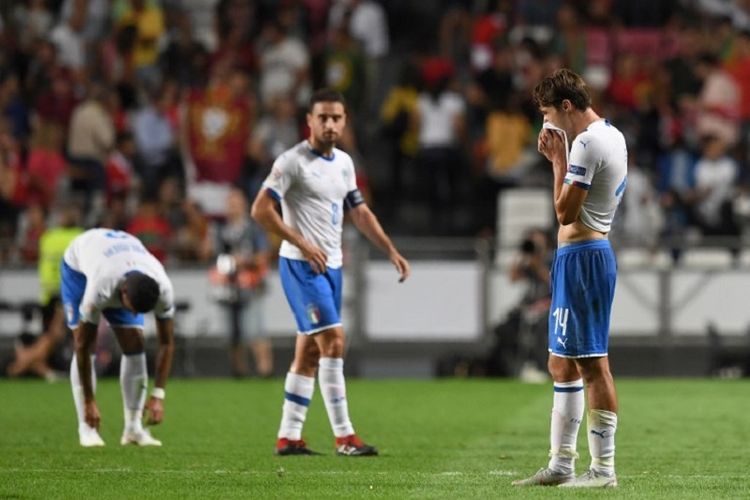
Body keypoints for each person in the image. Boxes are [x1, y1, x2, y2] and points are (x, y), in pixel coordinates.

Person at [251, 88, 410, 456]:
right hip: (301, 265)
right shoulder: (291, 162)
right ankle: (345, 437)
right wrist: (303, 243)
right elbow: (260, 210)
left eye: (336, 117)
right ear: (309, 121)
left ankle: (288, 436)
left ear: (344, 121)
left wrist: (389, 250)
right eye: (322, 117)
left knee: (308, 352)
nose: (329, 123)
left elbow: (360, 212)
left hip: (332, 267)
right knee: (335, 341)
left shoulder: (344, 163)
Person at [513, 69, 626, 488]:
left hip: (586, 258)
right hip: (574, 257)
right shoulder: (610, 133)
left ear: (565, 106)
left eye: (546, 113)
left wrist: (556, 162)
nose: (545, 124)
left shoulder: (587, 142)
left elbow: (565, 213)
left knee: (593, 364)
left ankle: (603, 470)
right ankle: (561, 463)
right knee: (561, 363)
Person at [61, 228, 176, 447]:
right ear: (123, 293)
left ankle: (133, 429)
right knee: (89, 343)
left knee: (135, 341)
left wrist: (158, 395)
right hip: (78, 270)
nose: (134, 315)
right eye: (132, 309)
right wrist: (89, 401)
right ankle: (87, 428)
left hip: (119, 262)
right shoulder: (100, 286)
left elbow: (167, 342)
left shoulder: (163, 288)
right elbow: (82, 346)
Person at [6, 205, 83, 380]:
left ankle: (41, 368)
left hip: (47, 293)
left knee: (52, 333)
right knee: (55, 334)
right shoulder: (79, 237)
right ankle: (22, 364)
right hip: (67, 291)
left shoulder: (48, 237)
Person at [209, 187, 273, 378]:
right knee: (232, 335)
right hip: (228, 287)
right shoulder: (220, 230)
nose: (232, 207)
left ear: (244, 205)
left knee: (256, 331)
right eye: (230, 203)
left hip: (251, 285)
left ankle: (265, 371)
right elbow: (212, 257)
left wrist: (243, 261)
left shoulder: (253, 229)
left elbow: (264, 256)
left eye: (236, 203)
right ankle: (238, 372)